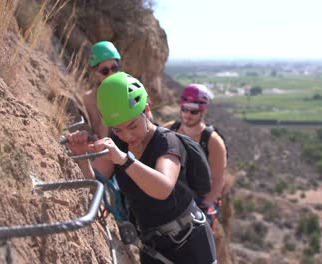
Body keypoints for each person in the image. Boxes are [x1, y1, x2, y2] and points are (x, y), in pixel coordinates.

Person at [67, 72, 217, 264]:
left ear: (146, 110)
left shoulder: (166, 142)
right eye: (118, 130)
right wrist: (81, 157)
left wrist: (124, 160)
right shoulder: (117, 144)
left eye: (133, 125)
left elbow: (163, 187)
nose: (128, 136)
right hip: (153, 247)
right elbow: (93, 188)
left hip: (190, 243)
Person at [163, 84, 227, 226]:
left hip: (200, 198)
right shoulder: (170, 129)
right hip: (174, 191)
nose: (187, 115)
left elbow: (218, 181)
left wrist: (203, 207)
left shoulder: (213, 141)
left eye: (194, 112)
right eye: (185, 109)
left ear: (202, 112)